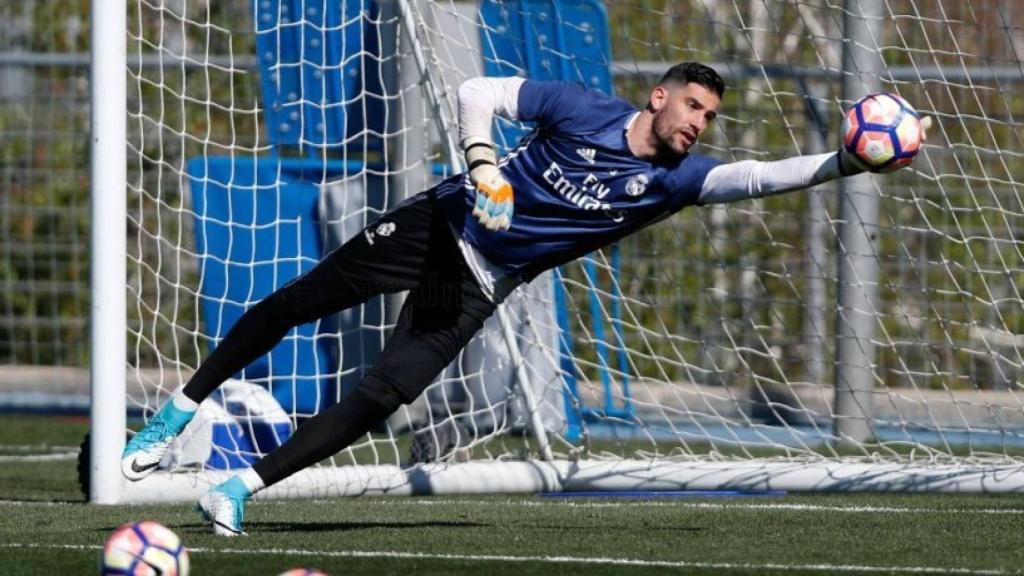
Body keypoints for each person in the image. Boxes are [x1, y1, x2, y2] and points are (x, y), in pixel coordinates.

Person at [120, 62, 925, 536]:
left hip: (476, 281)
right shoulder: (580, 107)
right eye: (693, 107)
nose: (700, 125)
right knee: (300, 301)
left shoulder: (677, 182)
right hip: (438, 224)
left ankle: (236, 488)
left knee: (382, 395)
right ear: (659, 97)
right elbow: (476, 90)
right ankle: (179, 410)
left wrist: (846, 163)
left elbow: (758, 177)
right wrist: (483, 168)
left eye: (711, 117)